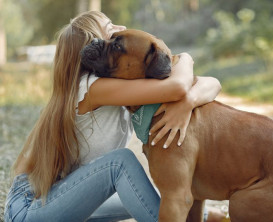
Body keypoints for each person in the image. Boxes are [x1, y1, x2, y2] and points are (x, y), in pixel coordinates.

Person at [4, 11, 222, 222]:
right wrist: (186, 58)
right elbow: (177, 86)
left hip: (58, 198)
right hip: (28, 208)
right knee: (120, 164)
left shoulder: (120, 85)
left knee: (148, 188)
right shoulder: (93, 88)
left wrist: (190, 100)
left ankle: (203, 216)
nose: (122, 29)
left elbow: (212, 83)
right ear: (93, 45)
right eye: (110, 29)